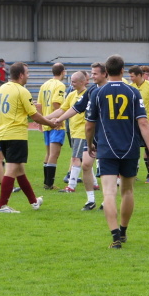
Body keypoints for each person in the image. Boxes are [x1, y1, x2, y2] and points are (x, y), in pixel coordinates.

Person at [87, 55, 149, 249]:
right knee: (127, 191)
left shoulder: (97, 93)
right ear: (123, 70)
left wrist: (90, 144)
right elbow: (143, 122)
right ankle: (124, 230)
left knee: (109, 193)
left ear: (106, 72)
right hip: (130, 148)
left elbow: (89, 125)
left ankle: (115, 236)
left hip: (106, 148)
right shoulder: (133, 92)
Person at [0, 62, 58, 213]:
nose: (28, 76)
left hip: (2, 133)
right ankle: (1, 206)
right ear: (21, 75)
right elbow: (34, 116)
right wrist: (51, 123)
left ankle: (34, 202)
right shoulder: (22, 91)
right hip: (16, 134)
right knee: (11, 170)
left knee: (20, 170)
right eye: (27, 73)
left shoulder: (2, 88)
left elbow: (16, 108)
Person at [48, 62, 107, 210]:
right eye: (91, 73)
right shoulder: (91, 90)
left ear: (104, 74)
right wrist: (58, 120)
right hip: (91, 135)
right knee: (86, 165)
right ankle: (90, 200)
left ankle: (107, 200)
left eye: (95, 73)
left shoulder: (111, 90)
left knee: (107, 170)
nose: (91, 76)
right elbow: (76, 108)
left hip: (107, 135)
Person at [55, 71, 97, 199]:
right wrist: (47, 118)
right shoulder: (72, 94)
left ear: (82, 82)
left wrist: (57, 120)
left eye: (74, 82)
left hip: (82, 132)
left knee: (75, 159)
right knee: (84, 159)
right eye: (71, 81)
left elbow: (75, 110)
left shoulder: (88, 95)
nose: (71, 84)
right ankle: (94, 183)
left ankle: (71, 185)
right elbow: (62, 109)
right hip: (73, 131)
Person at [128, 65, 149, 183]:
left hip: (148, 122)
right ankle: (133, 173)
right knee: (133, 148)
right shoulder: (130, 87)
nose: (131, 78)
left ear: (139, 75)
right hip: (133, 123)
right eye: (130, 76)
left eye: (132, 76)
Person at [38, 63, 67, 190]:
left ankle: (47, 182)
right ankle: (49, 184)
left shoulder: (44, 85)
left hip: (46, 121)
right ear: (63, 72)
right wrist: (59, 119)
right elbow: (56, 103)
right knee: (54, 154)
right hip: (55, 123)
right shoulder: (60, 85)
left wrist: (41, 121)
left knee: (49, 153)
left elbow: (39, 105)